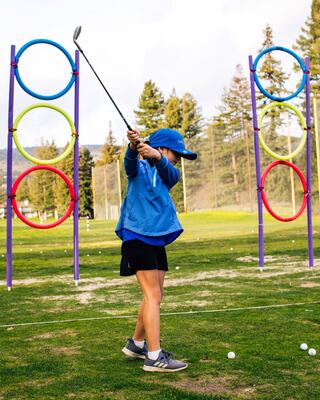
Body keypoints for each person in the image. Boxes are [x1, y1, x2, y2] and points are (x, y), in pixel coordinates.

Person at [115, 128, 197, 372]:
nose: (178, 159)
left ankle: (137, 344)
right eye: (176, 154)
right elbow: (129, 163)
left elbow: (171, 173)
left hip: (156, 239)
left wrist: (157, 156)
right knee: (153, 296)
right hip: (137, 236)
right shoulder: (137, 171)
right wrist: (132, 147)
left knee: (155, 295)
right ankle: (154, 356)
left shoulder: (168, 173)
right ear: (162, 147)